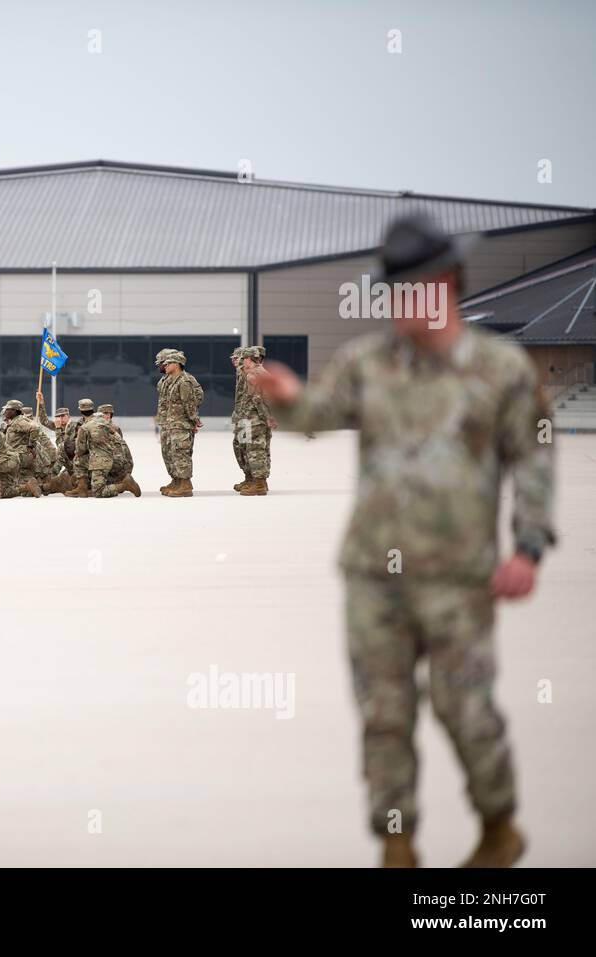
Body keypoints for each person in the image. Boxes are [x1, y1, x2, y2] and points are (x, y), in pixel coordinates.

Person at [253, 213, 555, 868]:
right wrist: (289, 397)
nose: (394, 305)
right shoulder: (367, 362)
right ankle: (397, 843)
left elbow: (533, 458)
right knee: (384, 713)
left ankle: (499, 825)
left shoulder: (502, 370)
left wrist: (527, 547)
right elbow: (319, 415)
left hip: (457, 575)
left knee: (464, 706)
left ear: (445, 284)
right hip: (372, 572)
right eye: (388, 292)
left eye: (406, 290)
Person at [155, 349, 203, 497]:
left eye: (168, 363)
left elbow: (190, 403)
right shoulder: (166, 380)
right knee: (168, 453)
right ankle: (176, 480)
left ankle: (185, 484)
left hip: (181, 424)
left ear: (176, 364)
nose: (164, 365)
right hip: (169, 423)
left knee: (180, 453)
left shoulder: (184, 381)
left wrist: (194, 419)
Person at [231, 345, 274, 495]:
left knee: (256, 450)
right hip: (246, 418)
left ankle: (260, 483)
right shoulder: (247, 373)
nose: (239, 362)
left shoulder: (257, 374)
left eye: (241, 359)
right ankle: (251, 479)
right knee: (245, 448)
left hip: (255, 419)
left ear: (248, 359)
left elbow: (263, 399)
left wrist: (267, 417)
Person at [82, 404, 141, 498]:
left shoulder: (111, 429)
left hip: (115, 467)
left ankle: (121, 484)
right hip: (113, 464)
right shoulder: (100, 427)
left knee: (96, 488)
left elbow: (120, 454)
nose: (108, 416)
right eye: (105, 413)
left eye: (110, 414)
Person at [0, 399, 43, 499]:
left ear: (14, 411)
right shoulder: (14, 422)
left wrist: (31, 445)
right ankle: (30, 485)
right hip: (21, 455)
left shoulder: (19, 421)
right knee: (25, 492)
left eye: (7, 410)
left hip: (20, 455)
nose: (5, 412)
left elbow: (35, 428)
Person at [64, 397, 97, 497]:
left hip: (97, 458)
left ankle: (82, 488)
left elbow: (81, 449)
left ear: (81, 410)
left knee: (78, 459)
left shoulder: (86, 426)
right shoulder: (102, 421)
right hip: (103, 456)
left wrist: (77, 452)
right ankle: (83, 487)